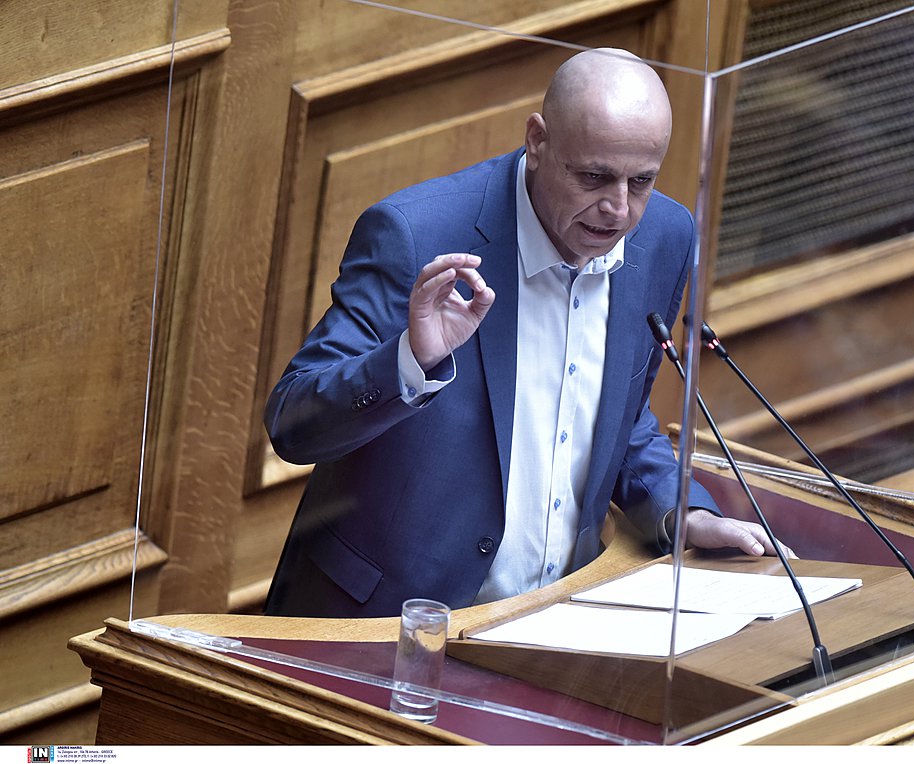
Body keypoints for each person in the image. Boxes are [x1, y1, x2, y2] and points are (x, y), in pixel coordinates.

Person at [264, 47, 790, 619]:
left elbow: (615, 412)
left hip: (554, 619)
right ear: (537, 141)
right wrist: (408, 361)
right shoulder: (415, 235)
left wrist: (681, 512)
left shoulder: (664, 235)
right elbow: (292, 424)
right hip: (387, 622)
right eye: (594, 177)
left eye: (641, 181)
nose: (618, 210)